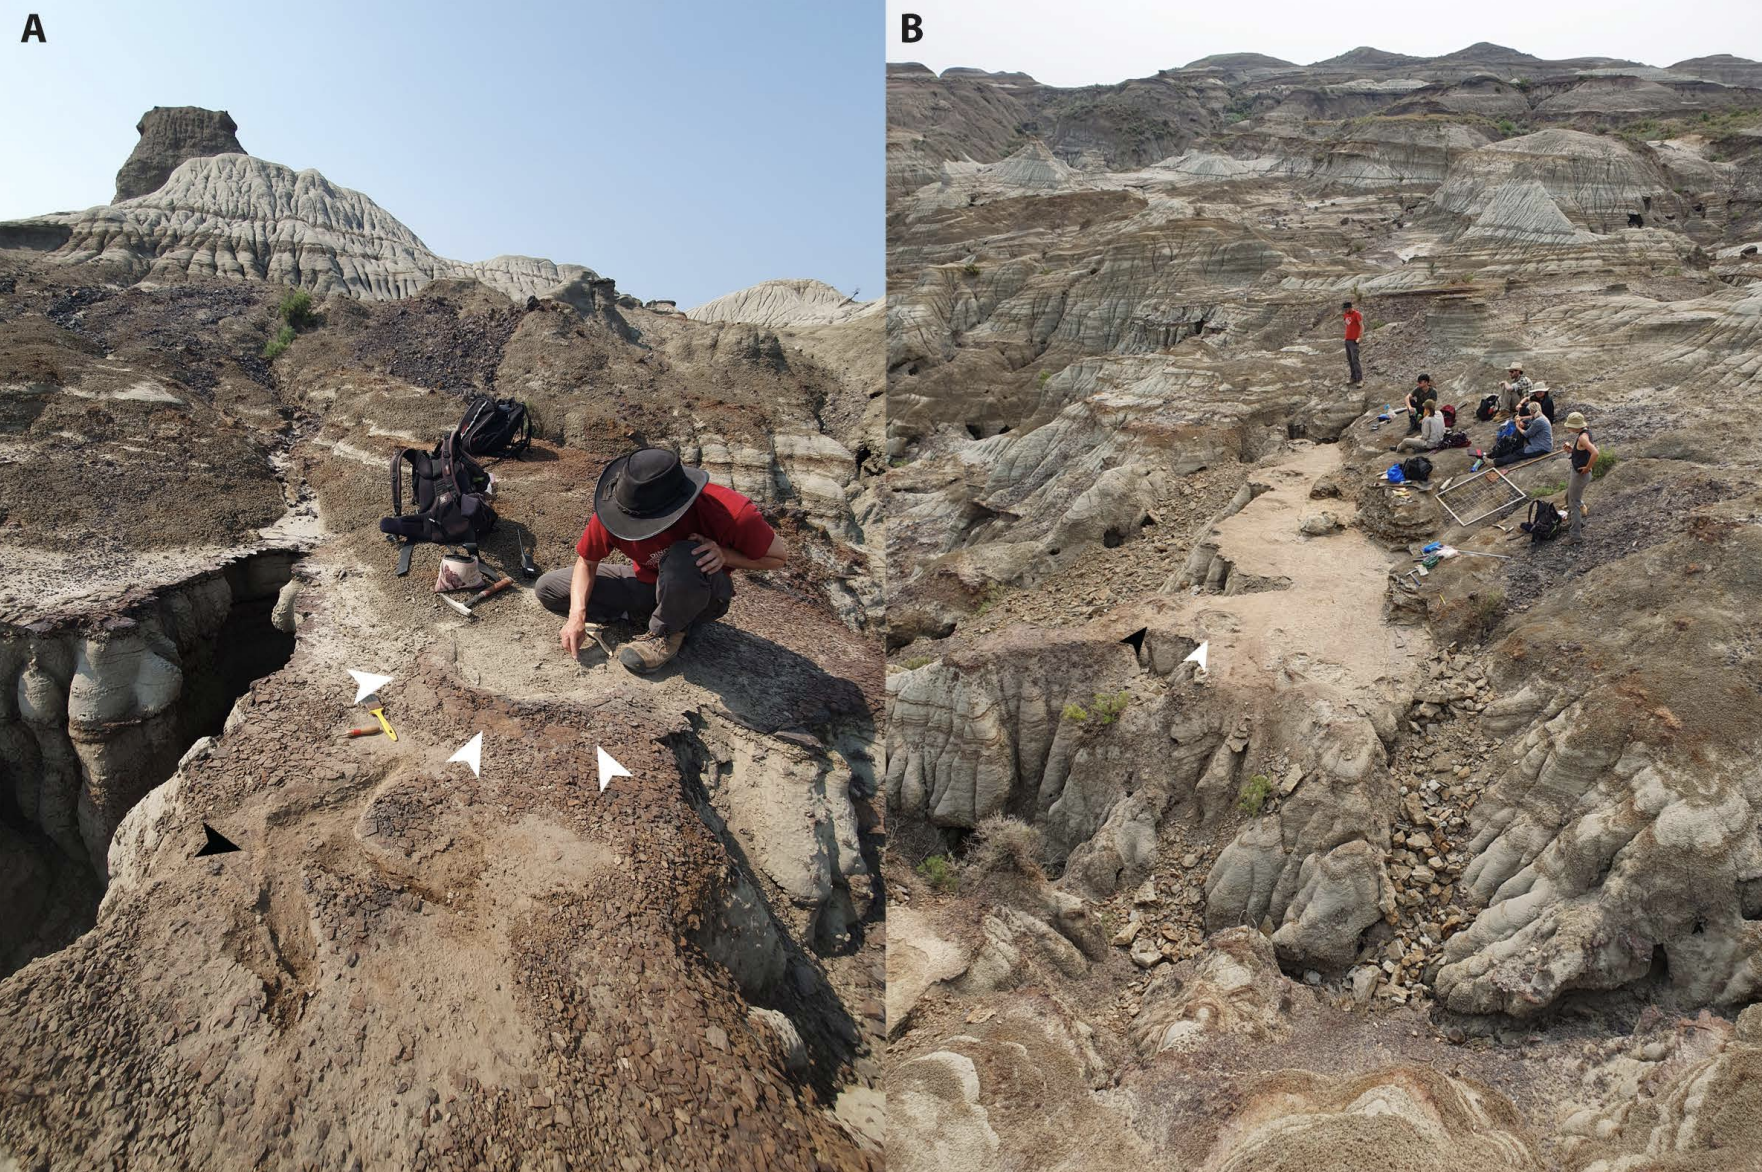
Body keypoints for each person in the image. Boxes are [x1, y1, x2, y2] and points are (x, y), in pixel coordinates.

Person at [537, 447, 789, 673]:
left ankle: (665, 633)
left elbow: (777, 558)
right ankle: (655, 614)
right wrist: (576, 616)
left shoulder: (730, 511)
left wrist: (724, 555)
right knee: (549, 589)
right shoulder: (618, 508)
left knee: (684, 554)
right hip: (652, 585)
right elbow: (587, 563)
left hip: (702, 591)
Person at [1560, 411, 1597, 544]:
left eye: (1570, 426)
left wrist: (1587, 468)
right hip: (1578, 472)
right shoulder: (1586, 433)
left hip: (1580, 475)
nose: (1568, 428)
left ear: (1576, 426)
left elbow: (1595, 453)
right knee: (1568, 496)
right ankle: (1575, 522)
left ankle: (1575, 536)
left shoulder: (1582, 438)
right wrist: (1572, 450)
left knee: (1573, 503)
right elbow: (1584, 452)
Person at [1493, 401, 1552, 467]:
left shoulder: (1539, 421)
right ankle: (1511, 447)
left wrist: (1518, 426)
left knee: (1518, 453)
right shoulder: (1540, 417)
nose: (1529, 412)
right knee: (1520, 432)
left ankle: (1496, 462)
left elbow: (1527, 434)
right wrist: (1520, 419)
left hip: (1542, 447)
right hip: (1540, 441)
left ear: (1532, 411)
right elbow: (1529, 420)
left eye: (1530, 410)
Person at [1342, 300, 1363, 387]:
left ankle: (1360, 379)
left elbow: (1361, 326)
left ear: (1350, 308)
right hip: (1347, 340)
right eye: (1344, 309)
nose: (1345, 311)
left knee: (1355, 360)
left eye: (1346, 309)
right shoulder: (1345, 315)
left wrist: (1360, 337)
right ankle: (1353, 377)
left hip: (1354, 341)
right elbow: (1347, 325)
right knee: (1350, 360)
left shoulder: (1357, 314)